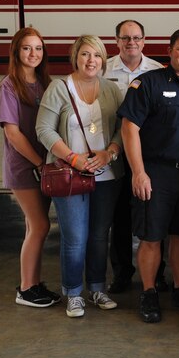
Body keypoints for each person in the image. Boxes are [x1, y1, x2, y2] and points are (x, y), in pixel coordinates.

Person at [119, 28, 179, 323]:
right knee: (151, 236)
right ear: (170, 51)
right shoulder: (148, 84)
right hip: (155, 172)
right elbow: (129, 128)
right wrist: (139, 172)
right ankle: (149, 292)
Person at [36, 35, 125, 318]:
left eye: (97, 55)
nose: (91, 61)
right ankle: (73, 292)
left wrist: (110, 152)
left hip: (107, 175)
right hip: (68, 175)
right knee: (75, 237)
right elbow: (44, 130)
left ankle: (97, 288)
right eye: (85, 54)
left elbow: (123, 128)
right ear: (75, 57)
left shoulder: (111, 89)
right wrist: (73, 158)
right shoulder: (59, 88)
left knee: (99, 235)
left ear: (103, 60)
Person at [0, 27, 59, 308]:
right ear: (16, 52)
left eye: (38, 48)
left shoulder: (45, 83)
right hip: (25, 168)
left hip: (42, 167)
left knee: (32, 226)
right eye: (26, 48)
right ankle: (26, 289)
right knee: (41, 225)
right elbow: (12, 132)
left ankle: (32, 282)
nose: (33, 54)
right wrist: (38, 163)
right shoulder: (9, 86)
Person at [103, 20, 164, 294]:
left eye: (136, 38)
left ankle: (157, 274)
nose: (131, 43)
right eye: (125, 38)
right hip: (114, 151)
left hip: (147, 153)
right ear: (116, 41)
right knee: (120, 215)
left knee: (154, 214)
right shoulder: (104, 69)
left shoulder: (158, 71)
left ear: (144, 41)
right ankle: (122, 273)